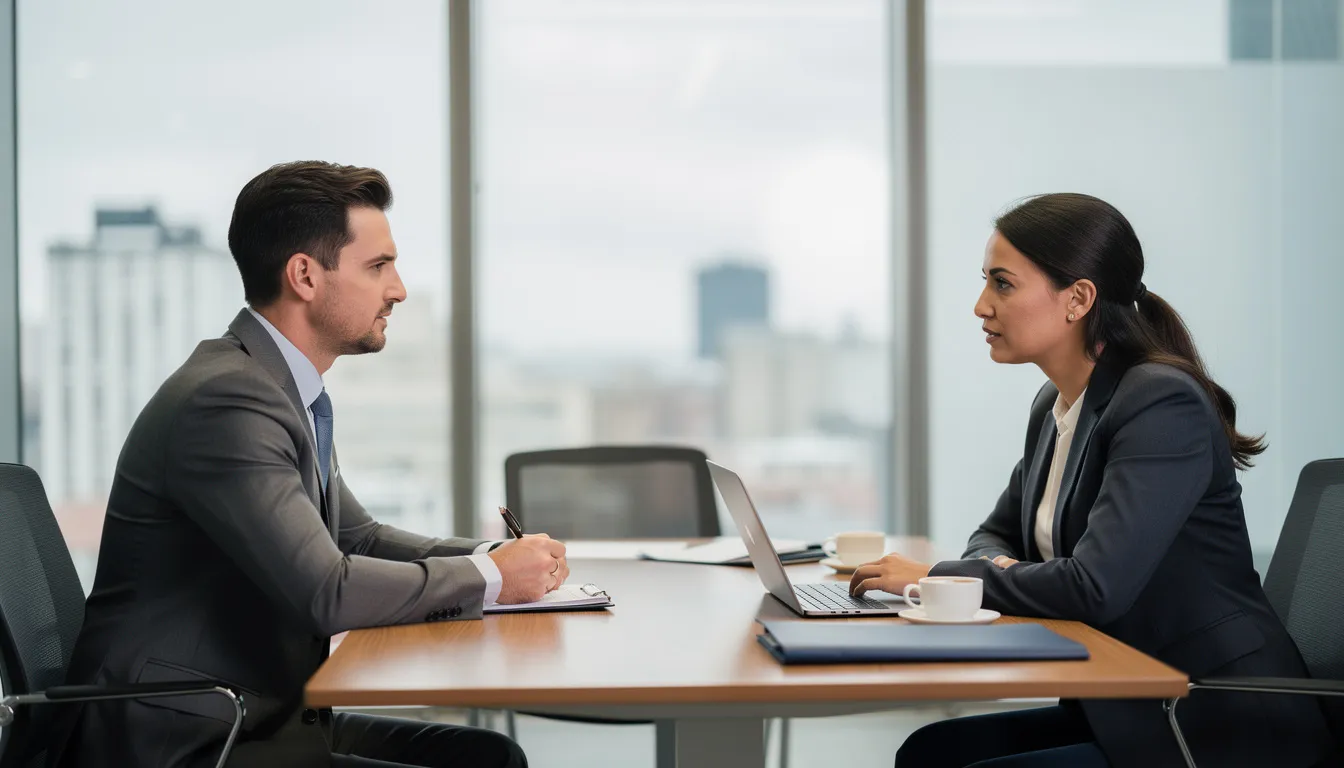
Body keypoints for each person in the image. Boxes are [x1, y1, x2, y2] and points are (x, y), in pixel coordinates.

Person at [50, 161, 567, 768]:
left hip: (252, 713)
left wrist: (491, 558)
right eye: (378, 267)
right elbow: (328, 590)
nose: (397, 289)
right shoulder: (229, 400)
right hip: (181, 736)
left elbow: (358, 537)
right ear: (304, 275)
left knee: (485, 756)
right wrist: (494, 581)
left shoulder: (282, 388)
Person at [849, 193, 1338, 768]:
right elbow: (992, 537)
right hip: (1126, 702)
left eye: (1003, 284)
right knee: (929, 752)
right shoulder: (1054, 406)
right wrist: (1004, 568)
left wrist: (935, 576)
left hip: (1216, 718)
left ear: (1078, 298)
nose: (981, 306)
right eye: (986, 282)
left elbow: (1093, 588)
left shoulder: (1160, 402)